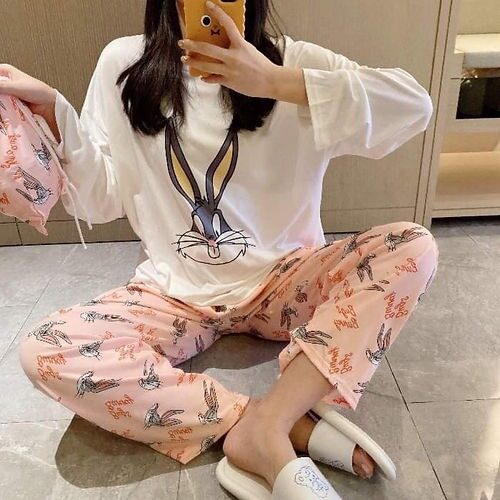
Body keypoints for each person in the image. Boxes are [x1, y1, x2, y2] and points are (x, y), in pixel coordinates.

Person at [3, 0, 439, 495]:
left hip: (286, 283)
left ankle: (271, 421)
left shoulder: (293, 61)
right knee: (47, 351)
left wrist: (275, 82)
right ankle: (265, 423)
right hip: (174, 294)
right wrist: (56, 115)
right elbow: (100, 200)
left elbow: (414, 106)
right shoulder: (124, 65)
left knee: (413, 246)